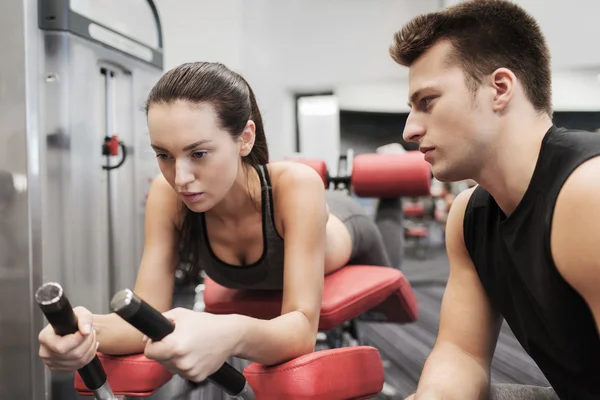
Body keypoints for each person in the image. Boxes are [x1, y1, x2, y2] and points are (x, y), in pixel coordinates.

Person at [36, 62, 400, 383]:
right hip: (290, 213)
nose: (180, 178)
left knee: (390, 249)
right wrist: (81, 329)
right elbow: (145, 316)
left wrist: (233, 332)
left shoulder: (299, 186)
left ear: (245, 138)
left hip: (346, 224)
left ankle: (391, 186)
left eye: (198, 153)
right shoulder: (168, 195)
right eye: (164, 154)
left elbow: (302, 330)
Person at [390, 0, 600, 399]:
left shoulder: (588, 192)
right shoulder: (469, 216)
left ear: (499, 89)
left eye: (427, 102)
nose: (410, 130)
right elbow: (462, 353)